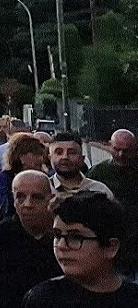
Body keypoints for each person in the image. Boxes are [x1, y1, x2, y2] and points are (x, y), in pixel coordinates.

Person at [22, 192, 138, 307]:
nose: (61, 245)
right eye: (57, 236)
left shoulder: (132, 298)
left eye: (75, 237)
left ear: (111, 247)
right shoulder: (42, 299)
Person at [0, 171, 61, 308]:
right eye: (20, 197)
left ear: (50, 199)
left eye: (36, 197)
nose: (28, 204)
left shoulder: (63, 235)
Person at [87, 129, 138, 280]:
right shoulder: (98, 172)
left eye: (126, 151)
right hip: (112, 239)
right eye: (117, 149)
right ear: (110, 146)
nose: (121, 155)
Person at [0, 133, 49, 217]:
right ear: (21, 156)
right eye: (35, 153)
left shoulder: (44, 177)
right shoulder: (5, 177)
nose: (40, 158)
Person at [49, 132, 115, 199]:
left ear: (82, 158)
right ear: (50, 158)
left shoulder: (99, 190)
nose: (65, 157)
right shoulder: (44, 189)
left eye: (72, 153)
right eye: (59, 153)